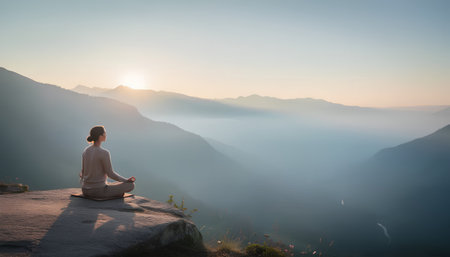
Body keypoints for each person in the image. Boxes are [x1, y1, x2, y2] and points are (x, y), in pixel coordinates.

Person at [79, 125, 135, 198]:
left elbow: (82, 172)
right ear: (100, 136)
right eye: (104, 133)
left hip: (85, 190)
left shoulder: (86, 151)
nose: (106, 135)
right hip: (98, 191)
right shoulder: (104, 153)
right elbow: (110, 174)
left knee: (112, 184)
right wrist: (126, 180)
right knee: (131, 185)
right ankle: (113, 193)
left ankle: (113, 192)